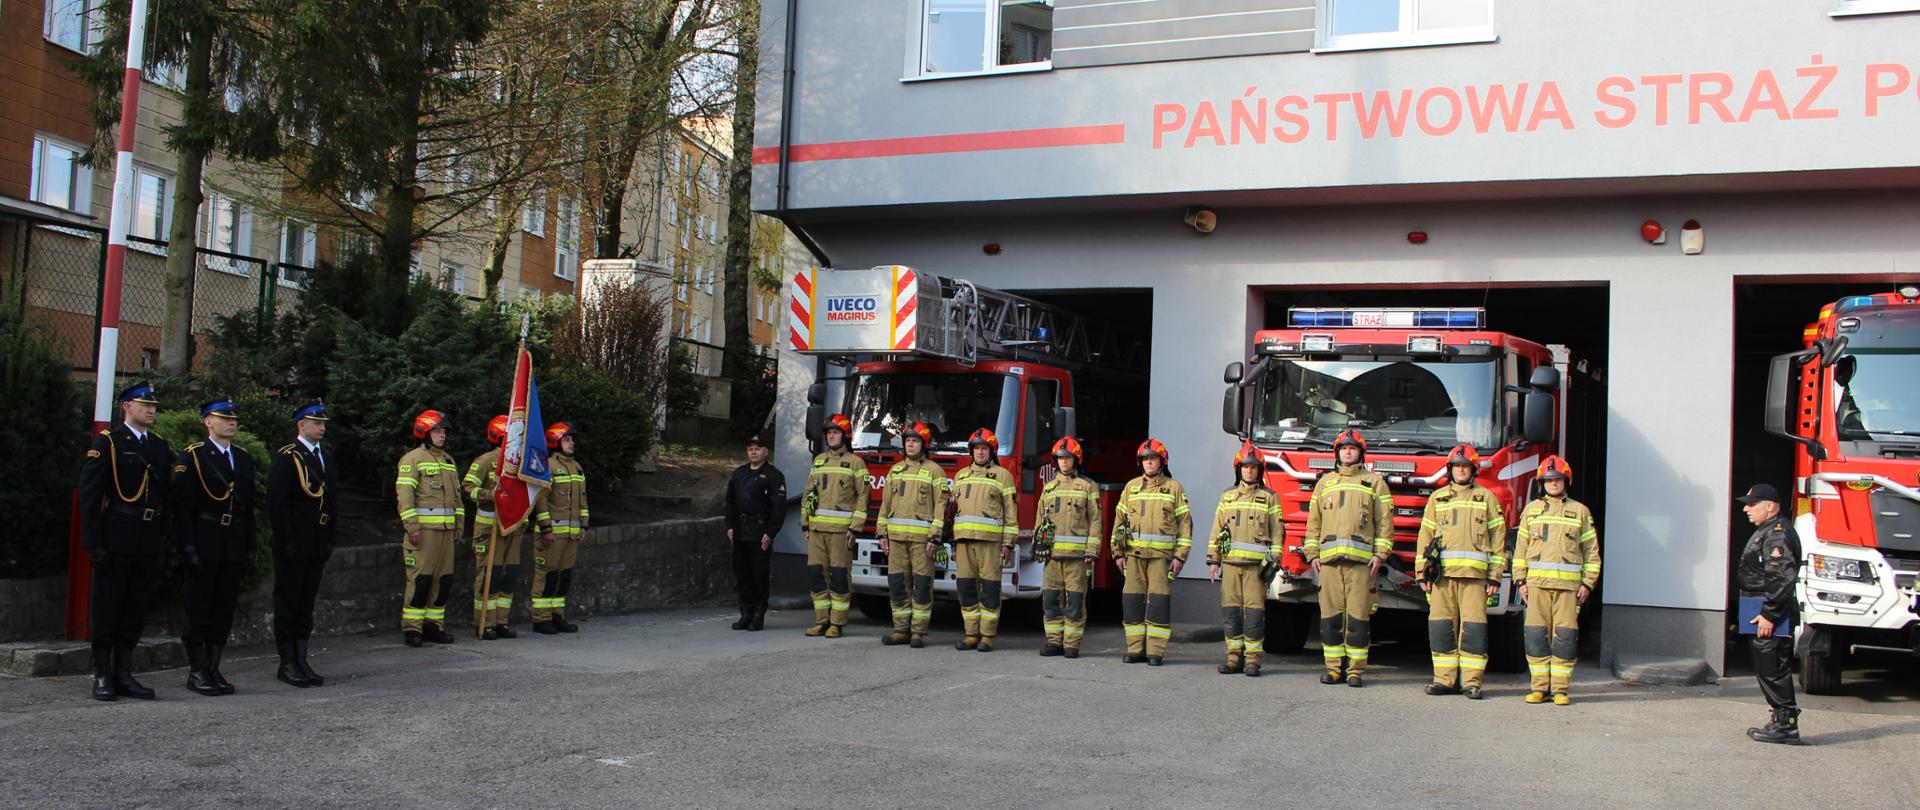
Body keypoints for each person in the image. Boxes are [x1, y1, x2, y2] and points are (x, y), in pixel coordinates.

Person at [77, 382, 172, 701]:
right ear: (126, 407)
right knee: (108, 605)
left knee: (135, 606)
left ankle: (124, 671)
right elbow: (90, 497)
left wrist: (162, 534)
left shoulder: (158, 446)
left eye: (153, 405)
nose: (151, 409)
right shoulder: (110, 443)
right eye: (144, 404)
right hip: (117, 532)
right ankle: (103, 672)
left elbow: (166, 496)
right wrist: (94, 543)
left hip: (146, 537)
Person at [170, 400, 256, 696]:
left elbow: (248, 508)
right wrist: (188, 546)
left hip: (232, 539)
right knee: (199, 605)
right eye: (223, 419)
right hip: (205, 537)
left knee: (224, 606)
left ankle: (214, 665)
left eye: (233, 419)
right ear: (208, 422)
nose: (231, 423)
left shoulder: (242, 459)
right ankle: (197, 669)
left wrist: (249, 545)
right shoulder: (194, 456)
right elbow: (182, 507)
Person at [1413, 444, 1506, 699]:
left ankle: (1471, 683)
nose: (1461, 470)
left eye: (1465, 466)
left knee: (1473, 631)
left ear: (1473, 469)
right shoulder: (1437, 498)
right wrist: (1422, 573)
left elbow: (1498, 541)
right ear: (1450, 469)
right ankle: (1444, 680)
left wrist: (1495, 576)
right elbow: (1425, 537)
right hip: (1442, 577)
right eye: (1456, 466)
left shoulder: (1487, 498)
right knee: (1442, 629)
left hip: (1475, 579)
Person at [1303, 430, 1392, 687]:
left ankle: (1355, 671)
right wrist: (1312, 554)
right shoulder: (1324, 484)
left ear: (1361, 453)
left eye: (1353, 448)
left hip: (1361, 565)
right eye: (1344, 448)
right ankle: (1333, 669)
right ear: (1337, 453)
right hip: (1329, 563)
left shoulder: (1374, 483)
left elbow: (1385, 523)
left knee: (1358, 620)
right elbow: (1314, 523)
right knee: (1330, 619)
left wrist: (1380, 554)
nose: (1348, 452)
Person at [1512, 455, 1600, 705]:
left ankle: (1560, 689)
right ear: (1542, 483)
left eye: (1557, 479)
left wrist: (1587, 583)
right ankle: (1539, 688)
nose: (1553, 483)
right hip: (1537, 586)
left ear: (1565, 481)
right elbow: (1521, 549)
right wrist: (1521, 581)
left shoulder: (1580, 512)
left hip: (1568, 589)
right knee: (1537, 636)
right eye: (1549, 480)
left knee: (1565, 637)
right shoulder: (1531, 511)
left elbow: (1591, 552)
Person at [267, 402, 336, 686]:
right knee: (289, 602)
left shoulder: (325, 458)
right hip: (294, 541)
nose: (321, 427)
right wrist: (287, 540)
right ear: (301, 425)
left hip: (317, 541)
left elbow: (332, 502)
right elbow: (278, 503)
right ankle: (287, 661)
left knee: (306, 603)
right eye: (315, 423)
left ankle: (301, 656)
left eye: (323, 423)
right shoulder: (287, 457)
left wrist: (331, 536)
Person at [1112, 438, 1191, 666]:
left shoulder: (1174, 488)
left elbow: (1185, 524)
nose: (1149, 463)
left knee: (1158, 604)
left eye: (1153, 459)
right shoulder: (1131, 487)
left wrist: (1180, 556)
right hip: (1134, 557)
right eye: (1145, 459)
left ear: (1162, 461)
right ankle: (1135, 649)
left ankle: (1155, 652)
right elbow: (1119, 522)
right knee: (1133, 603)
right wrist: (1117, 553)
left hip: (1161, 559)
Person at [1207, 442, 1283, 676]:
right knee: (1230, 614)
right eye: (1245, 467)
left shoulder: (1270, 498)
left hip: (1255, 570)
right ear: (1238, 469)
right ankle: (1233, 659)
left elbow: (1278, 532)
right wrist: (1213, 560)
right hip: (1230, 566)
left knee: (1253, 616)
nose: (1249, 471)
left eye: (1253, 467)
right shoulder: (1227, 496)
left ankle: (1252, 661)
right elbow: (1217, 528)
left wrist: (1275, 561)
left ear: (1260, 470)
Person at [1736, 483, 1803, 744]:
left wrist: (1769, 614)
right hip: (1761, 607)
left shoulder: (1777, 534)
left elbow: (1781, 577)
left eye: (1752, 504)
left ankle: (1786, 726)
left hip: (1768, 611)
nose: (1746, 509)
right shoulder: (1769, 531)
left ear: (1770, 506)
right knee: (1768, 667)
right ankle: (1779, 719)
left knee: (1773, 667)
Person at [396, 409, 464, 647]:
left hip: (446, 532)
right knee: (421, 580)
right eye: (437, 431)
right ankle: (412, 628)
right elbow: (405, 496)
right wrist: (411, 526)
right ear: (423, 432)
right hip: (423, 533)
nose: (442, 435)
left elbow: (457, 499)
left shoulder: (448, 461)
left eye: (443, 431)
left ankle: (434, 626)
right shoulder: (412, 459)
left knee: (443, 581)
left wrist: (459, 525)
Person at [876, 422, 948, 647]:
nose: (910, 444)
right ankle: (900, 630)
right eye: (907, 440)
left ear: (924, 444)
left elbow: (941, 506)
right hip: (896, 540)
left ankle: (917, 632)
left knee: (922, 585)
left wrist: (935, 537)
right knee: (897, 584)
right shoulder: (895, 471)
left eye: (915, 441)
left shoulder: (935, 471)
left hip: (922, 542)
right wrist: (881, 534)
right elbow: (885, 505)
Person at [799, 414, 867, 638]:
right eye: (828, 433)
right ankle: (821, 621)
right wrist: (805, 524)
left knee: (839, 577)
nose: (831, 436)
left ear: (845, 436)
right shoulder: (818, 461)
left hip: (841, 532)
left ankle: (837, 623)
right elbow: (809, 494)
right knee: (816, 574)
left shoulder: (856, 463)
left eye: (835, 432)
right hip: (817, 531)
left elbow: (862, 497)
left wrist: (855, 528)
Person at [950, 428, 1018, 651]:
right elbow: (951, 511)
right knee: (966, 588)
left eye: (984, 448)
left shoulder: (1003, 475)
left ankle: (987, 636)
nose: (980, 452)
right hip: (963, 542)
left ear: (992, 451)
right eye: (976, 448)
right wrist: (952, 541)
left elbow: (1011, 513)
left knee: (989, 589)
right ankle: (971, 634)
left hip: (990, 543)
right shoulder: (960, 476)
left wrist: (1008, 542)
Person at [1037, 437, 1101, 658]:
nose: (1064, 462)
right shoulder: (1049, 488)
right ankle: (1054, 642)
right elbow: (1040, 520)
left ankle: (1072, 644)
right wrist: (1039, 546)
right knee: (1051, 601)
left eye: (1068, 458)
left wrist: (1092, 551)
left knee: (1074, 602)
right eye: (1061, 458)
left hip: (1077, 558)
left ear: (1077, 460)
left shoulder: (1088, 487)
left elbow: (1095, 521)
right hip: (1052, 557)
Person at [464, 415, 522, 640]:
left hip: (512, 527)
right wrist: (491, 495)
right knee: (490, 574)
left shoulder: (517, 462)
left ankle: (501, 622)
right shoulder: (486, 460)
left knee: (509, 575)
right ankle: (484, 623)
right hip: (489, 527)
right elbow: (468, 487)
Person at [724, 434, 787, 631]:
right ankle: (745, 613)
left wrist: (771, 532)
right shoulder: (739, 473)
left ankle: (758, 615)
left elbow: (779, 507)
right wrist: (730, 526)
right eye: (750, 448)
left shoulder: (773, 475)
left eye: (757, 448)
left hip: (760, 532)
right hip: (741, 530)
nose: (753, 451)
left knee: (759, 574)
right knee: (742, 574)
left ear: (765, 452)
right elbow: (730, 502)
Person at [530, 423, 588, 634]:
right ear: (555, 442)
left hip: (571, 535)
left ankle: (557, 615)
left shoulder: (577, 467)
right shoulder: (547, 466)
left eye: (572, 439)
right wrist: (546, 529)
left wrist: (584, 525)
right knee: (547, 575)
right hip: (552, 534)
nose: (572, 443)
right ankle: (541, 619)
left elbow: (582, 499)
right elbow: (541, 500)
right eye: (567, 439)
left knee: (564, 577)